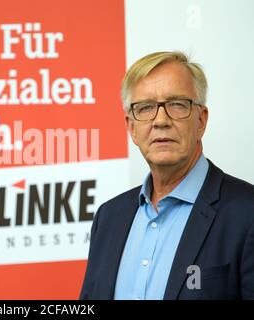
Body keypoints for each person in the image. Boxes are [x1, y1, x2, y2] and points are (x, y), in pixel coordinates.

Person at [80, 51, 254, 300]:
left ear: (201, 120)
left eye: (176, 104)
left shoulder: (247, 213)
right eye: (146, 107)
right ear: (132, 127)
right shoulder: (108, 218)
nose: (161, 120)